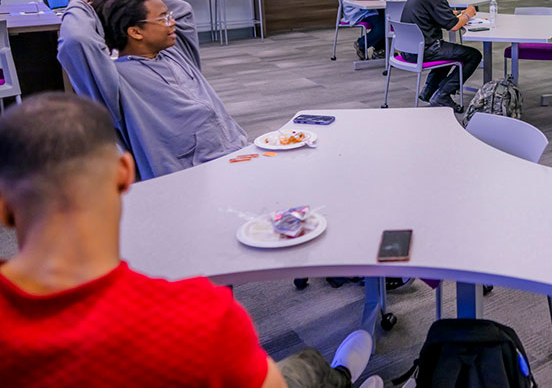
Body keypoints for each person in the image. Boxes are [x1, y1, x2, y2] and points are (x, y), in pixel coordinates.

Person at [0, 93, 382, 388]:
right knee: (310, 364)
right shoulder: (199, 315)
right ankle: (343, 376)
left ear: (3, 208)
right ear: (124, 173)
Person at [57, 0, 248, 179]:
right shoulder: (115, 81)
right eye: (163, 18)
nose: (172, 21)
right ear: (135, 32)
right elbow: (75, 42)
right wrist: (78, 3)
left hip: (236, 154)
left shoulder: (175, 52)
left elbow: (184, 10)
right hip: (188, 178)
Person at [399, 0, 482, 112]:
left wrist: (455, 13)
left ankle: (428, 91)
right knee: (473, 55)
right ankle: (443, 94)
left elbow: (434, 13)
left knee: (450, 51)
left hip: (407, 48)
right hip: (424, 50)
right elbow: (454, 26)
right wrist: (468, 13)